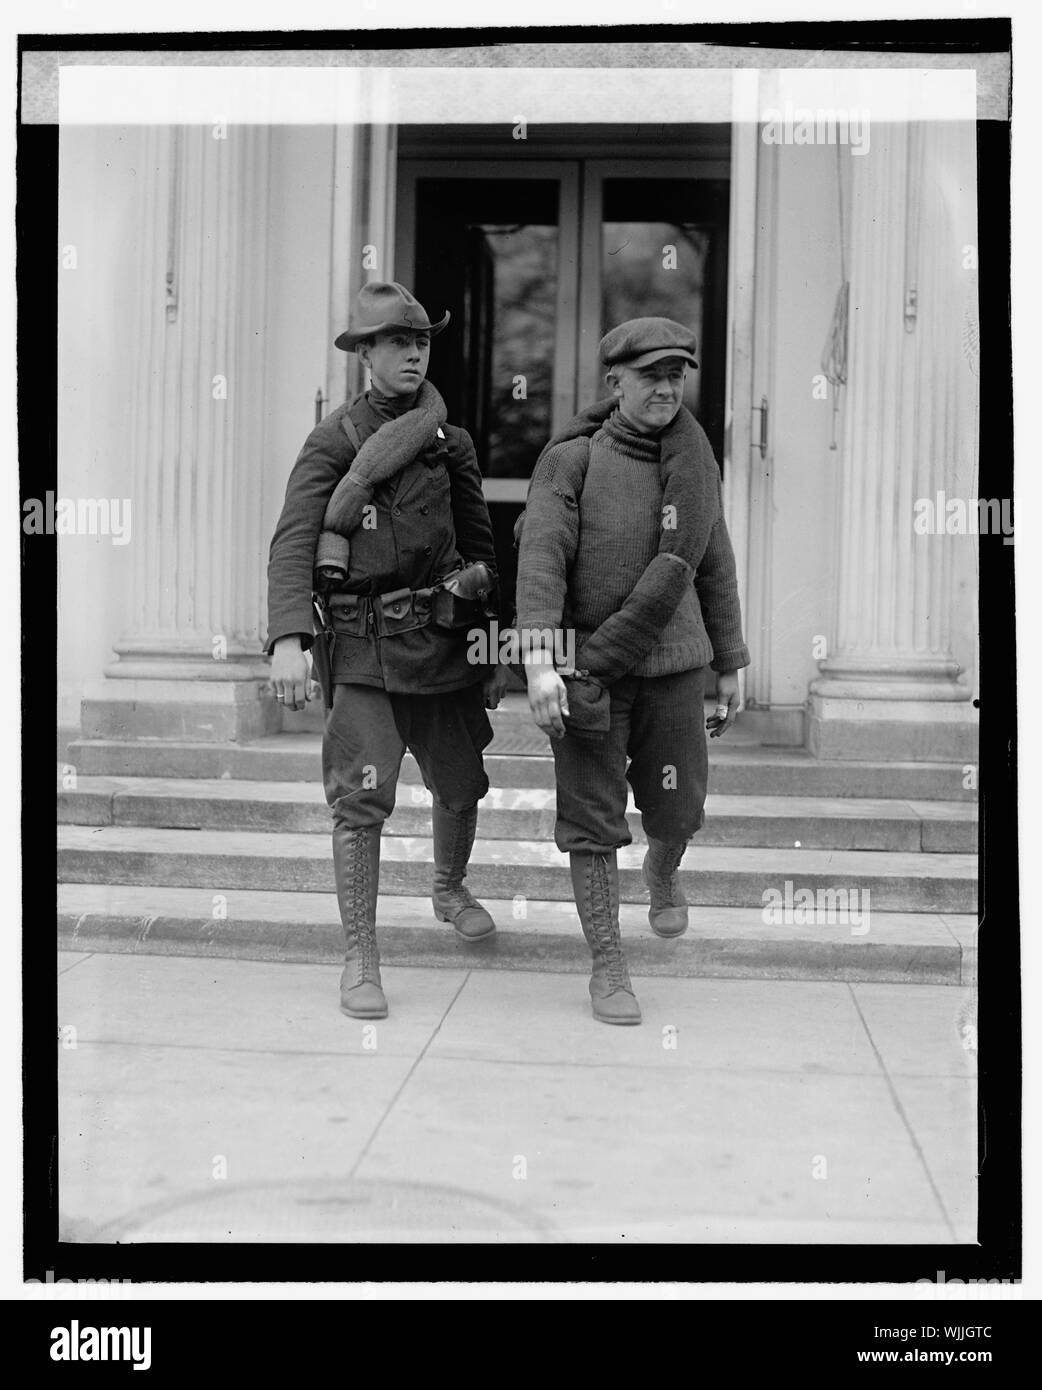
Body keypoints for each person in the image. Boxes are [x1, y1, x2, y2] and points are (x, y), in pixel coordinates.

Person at [266, 281, 508, 1020]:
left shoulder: (451, 442)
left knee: (462, 783)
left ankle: (447, 885)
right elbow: (294, 542)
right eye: (397, 343)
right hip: (366, 649)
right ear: (365, 354)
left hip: (440, 645)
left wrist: (489, 636)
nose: (413, 354)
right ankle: (361, 954)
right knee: (362, 801)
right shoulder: (335, 441)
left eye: (422, 342)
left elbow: (482, 547)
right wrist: (286, 640)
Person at [514, 317, 750, 1026]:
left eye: (676, 373)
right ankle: (608, 965)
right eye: (651, 374)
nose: (666, 386)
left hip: (676, 670)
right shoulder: (572, 462)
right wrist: (536, 662)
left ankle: (663, 870)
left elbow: (715, 563)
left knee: (678, 809)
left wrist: (731, 660)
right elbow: (542, 562)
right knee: (591, 821)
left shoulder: (694, 463)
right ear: (614, 382)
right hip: (589, 672)